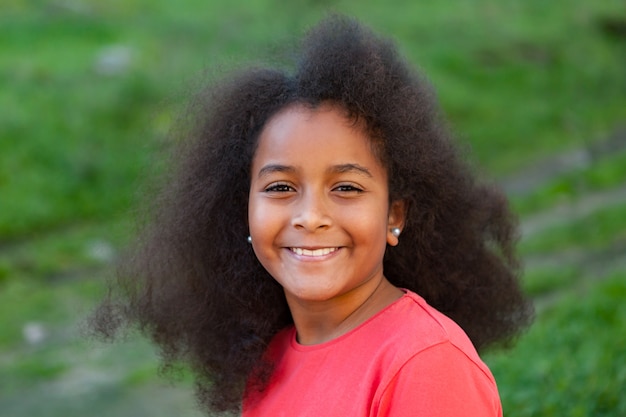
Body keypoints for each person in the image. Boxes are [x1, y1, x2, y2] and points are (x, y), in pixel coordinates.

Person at [92, 15, 533, 416]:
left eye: (346, 187)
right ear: (241, 210)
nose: (310, 216)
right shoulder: (272, 359)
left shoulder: (425, 363)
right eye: (281, 187)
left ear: (394, 215)